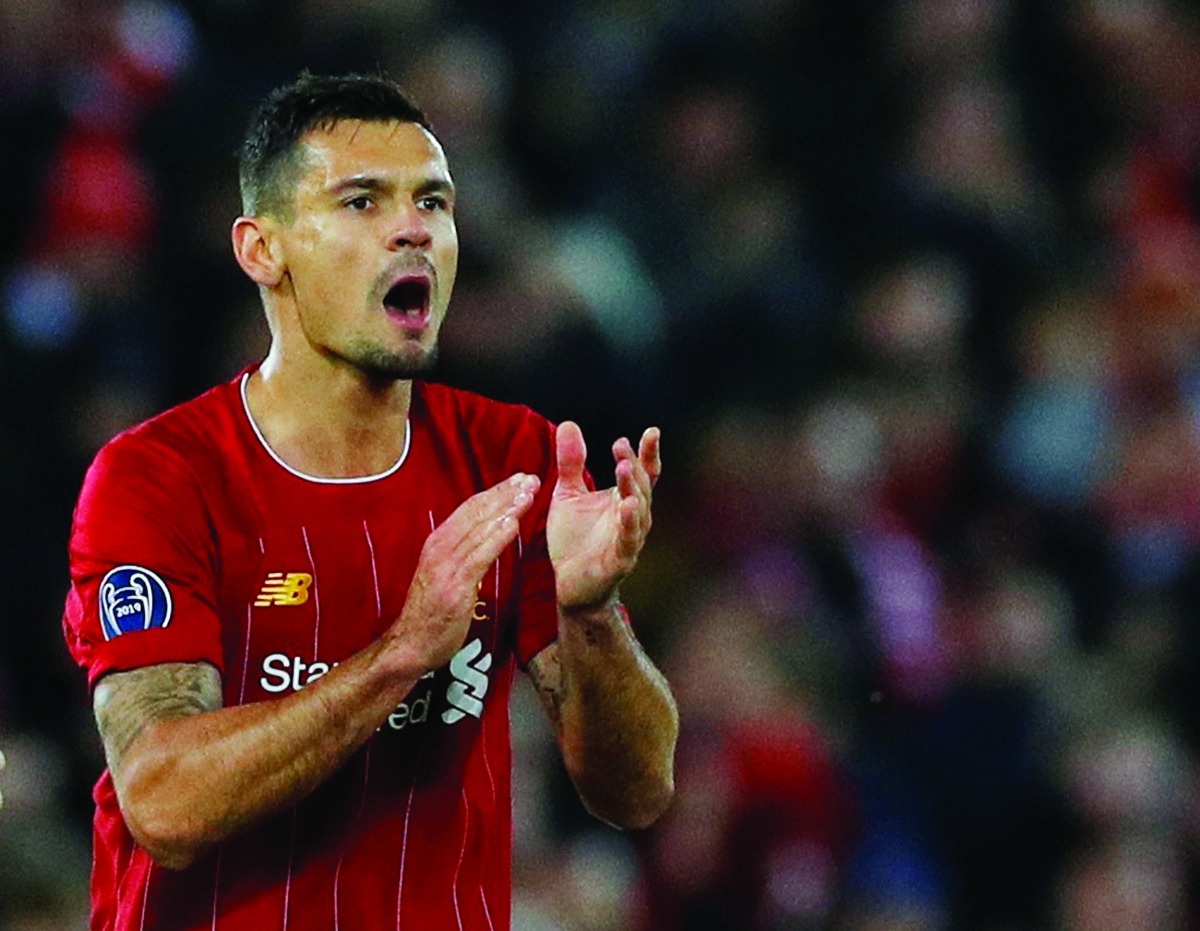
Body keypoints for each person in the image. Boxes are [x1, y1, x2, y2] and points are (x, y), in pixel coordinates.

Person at [61, 71, 678, 931]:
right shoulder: (160, 478)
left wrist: (593, 611)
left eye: (434, 201)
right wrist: (400, 656)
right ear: (262, 249)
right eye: (361, 202)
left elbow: (639, 792)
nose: (412, 228)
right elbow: (163, 803)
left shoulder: (514, 460)